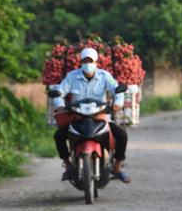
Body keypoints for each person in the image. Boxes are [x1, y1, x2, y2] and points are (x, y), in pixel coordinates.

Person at [53, 47, 131, 183]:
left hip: (99, 116)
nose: (88, 64)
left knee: (122, 135)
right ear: (81, 62)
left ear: (96, 62)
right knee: (59, 135)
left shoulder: (105, 76)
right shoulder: (72, 77)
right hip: (78, 117)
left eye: (90, 61)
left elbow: (116, 89)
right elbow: (60, 91)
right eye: (85, 60)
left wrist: (118, 103)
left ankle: (117, 167)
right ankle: (67, 167)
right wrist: (59, 103)